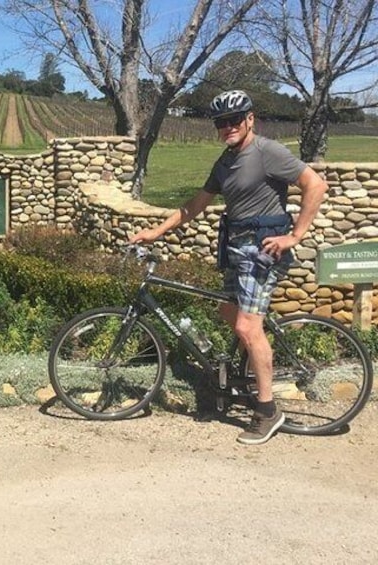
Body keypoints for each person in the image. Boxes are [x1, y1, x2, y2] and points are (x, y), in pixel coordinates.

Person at [130, 90, 328, 445]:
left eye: (235, 120)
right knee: (227, 311)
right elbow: (194, 206)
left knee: (247, 326)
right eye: (221, 123)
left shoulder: (268, 152)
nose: (228, 127)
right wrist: (154, 232)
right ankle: (244, 373)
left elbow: (315, 184)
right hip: (237, 249)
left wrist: (295, 236)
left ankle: (267, 411)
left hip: (264, 249)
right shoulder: (224, 162)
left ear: (251, 119)